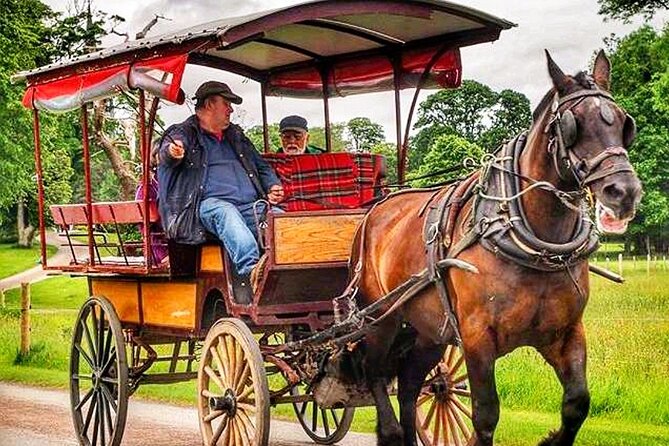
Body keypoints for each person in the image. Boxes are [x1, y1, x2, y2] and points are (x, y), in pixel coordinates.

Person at [157, 81, 284, 304]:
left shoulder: (236, 136)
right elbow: (166, 153)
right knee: (226, 212)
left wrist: (272, 186)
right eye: (226, 103)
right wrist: (172, 151)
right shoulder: (184, 133)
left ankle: (291, 270)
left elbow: (261, 166)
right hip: (203, 208)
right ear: (209, 104)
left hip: (250, 207)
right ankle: (253, 272)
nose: (231, 110)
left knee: (282, 217)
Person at [135, 144, 169, 265]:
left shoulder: (180, 186)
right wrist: (163, 255)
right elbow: (146, 230)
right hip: (160, 252)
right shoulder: (147, 190)